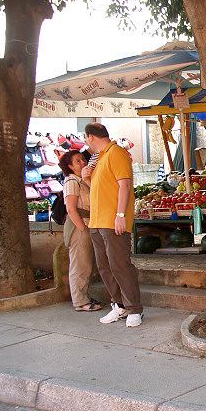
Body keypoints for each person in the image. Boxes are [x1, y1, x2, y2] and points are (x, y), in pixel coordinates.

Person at [83, 123, 144, 327]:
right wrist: (87, 178)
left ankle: (134, 308)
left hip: (112, 220)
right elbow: (103, 188)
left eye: (86, 138)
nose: (86, 142)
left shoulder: (116, 152)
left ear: (90, 137)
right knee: (104, 266)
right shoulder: (98, 158)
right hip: (97, 220)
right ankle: (119, 305)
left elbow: (124, 184)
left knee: (119, 264)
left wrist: (120, 215)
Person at [58, 150, 101, 312]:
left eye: (83, 159)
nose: (83, 162)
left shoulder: (82, 180)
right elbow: (71, 208)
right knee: (80, 264)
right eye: (77, 161)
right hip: (79, 226)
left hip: (87, 224)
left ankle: (83, 297)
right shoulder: (71, 182)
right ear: (70, 166)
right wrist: (82, 228)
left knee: (85, 263)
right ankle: (79, 301)